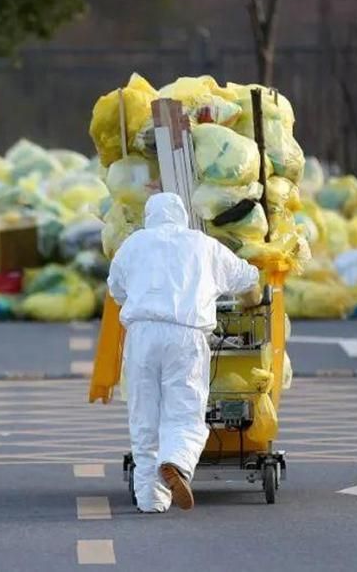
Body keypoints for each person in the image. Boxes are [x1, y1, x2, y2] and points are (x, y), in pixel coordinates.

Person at [107, 192, 260, 513]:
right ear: (182, 216)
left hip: (142, 334)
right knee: (184, 411)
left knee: (144, 415)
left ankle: (151, 500)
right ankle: (176, 461)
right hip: (186, 335)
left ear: (151, 216)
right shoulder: (202, 244)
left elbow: (116, 289)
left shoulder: (134, 245)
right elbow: (247, 276)